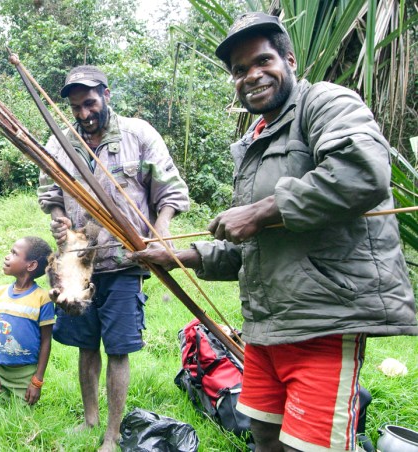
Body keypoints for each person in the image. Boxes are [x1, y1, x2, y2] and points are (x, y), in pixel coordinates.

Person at [130, 12, 418, 452]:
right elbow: (253, 246)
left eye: (262, 61)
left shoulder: (326, 102)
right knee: (262, 435)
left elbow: (362, 171)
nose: (252, 75)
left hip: (322, 321)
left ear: (290, 58)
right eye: (240, 70)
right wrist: (180, 257)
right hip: (265, 327)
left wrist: (263, 210)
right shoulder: (255, 143)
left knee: (310, 446)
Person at [38, 65, 190, 451]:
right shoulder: (60, 141)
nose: (84, 114)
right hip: (77, 264)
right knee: (86, 344)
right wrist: (60, 223)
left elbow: (170, 191)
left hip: (124, 261)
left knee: (118, 348)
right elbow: (50, 196)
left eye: (90, 103)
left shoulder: (138, 134)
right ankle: (90, 420)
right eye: (76, 107)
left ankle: (112, 433)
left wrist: (163, 228)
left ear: (107, 94)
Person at [0, 236, 54, 405]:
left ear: (31, 265)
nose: (7, 256)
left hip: (26, 374)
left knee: (22, 420)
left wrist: (37, 381)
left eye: (14, 253)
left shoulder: (42, 299)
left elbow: (46, 341)